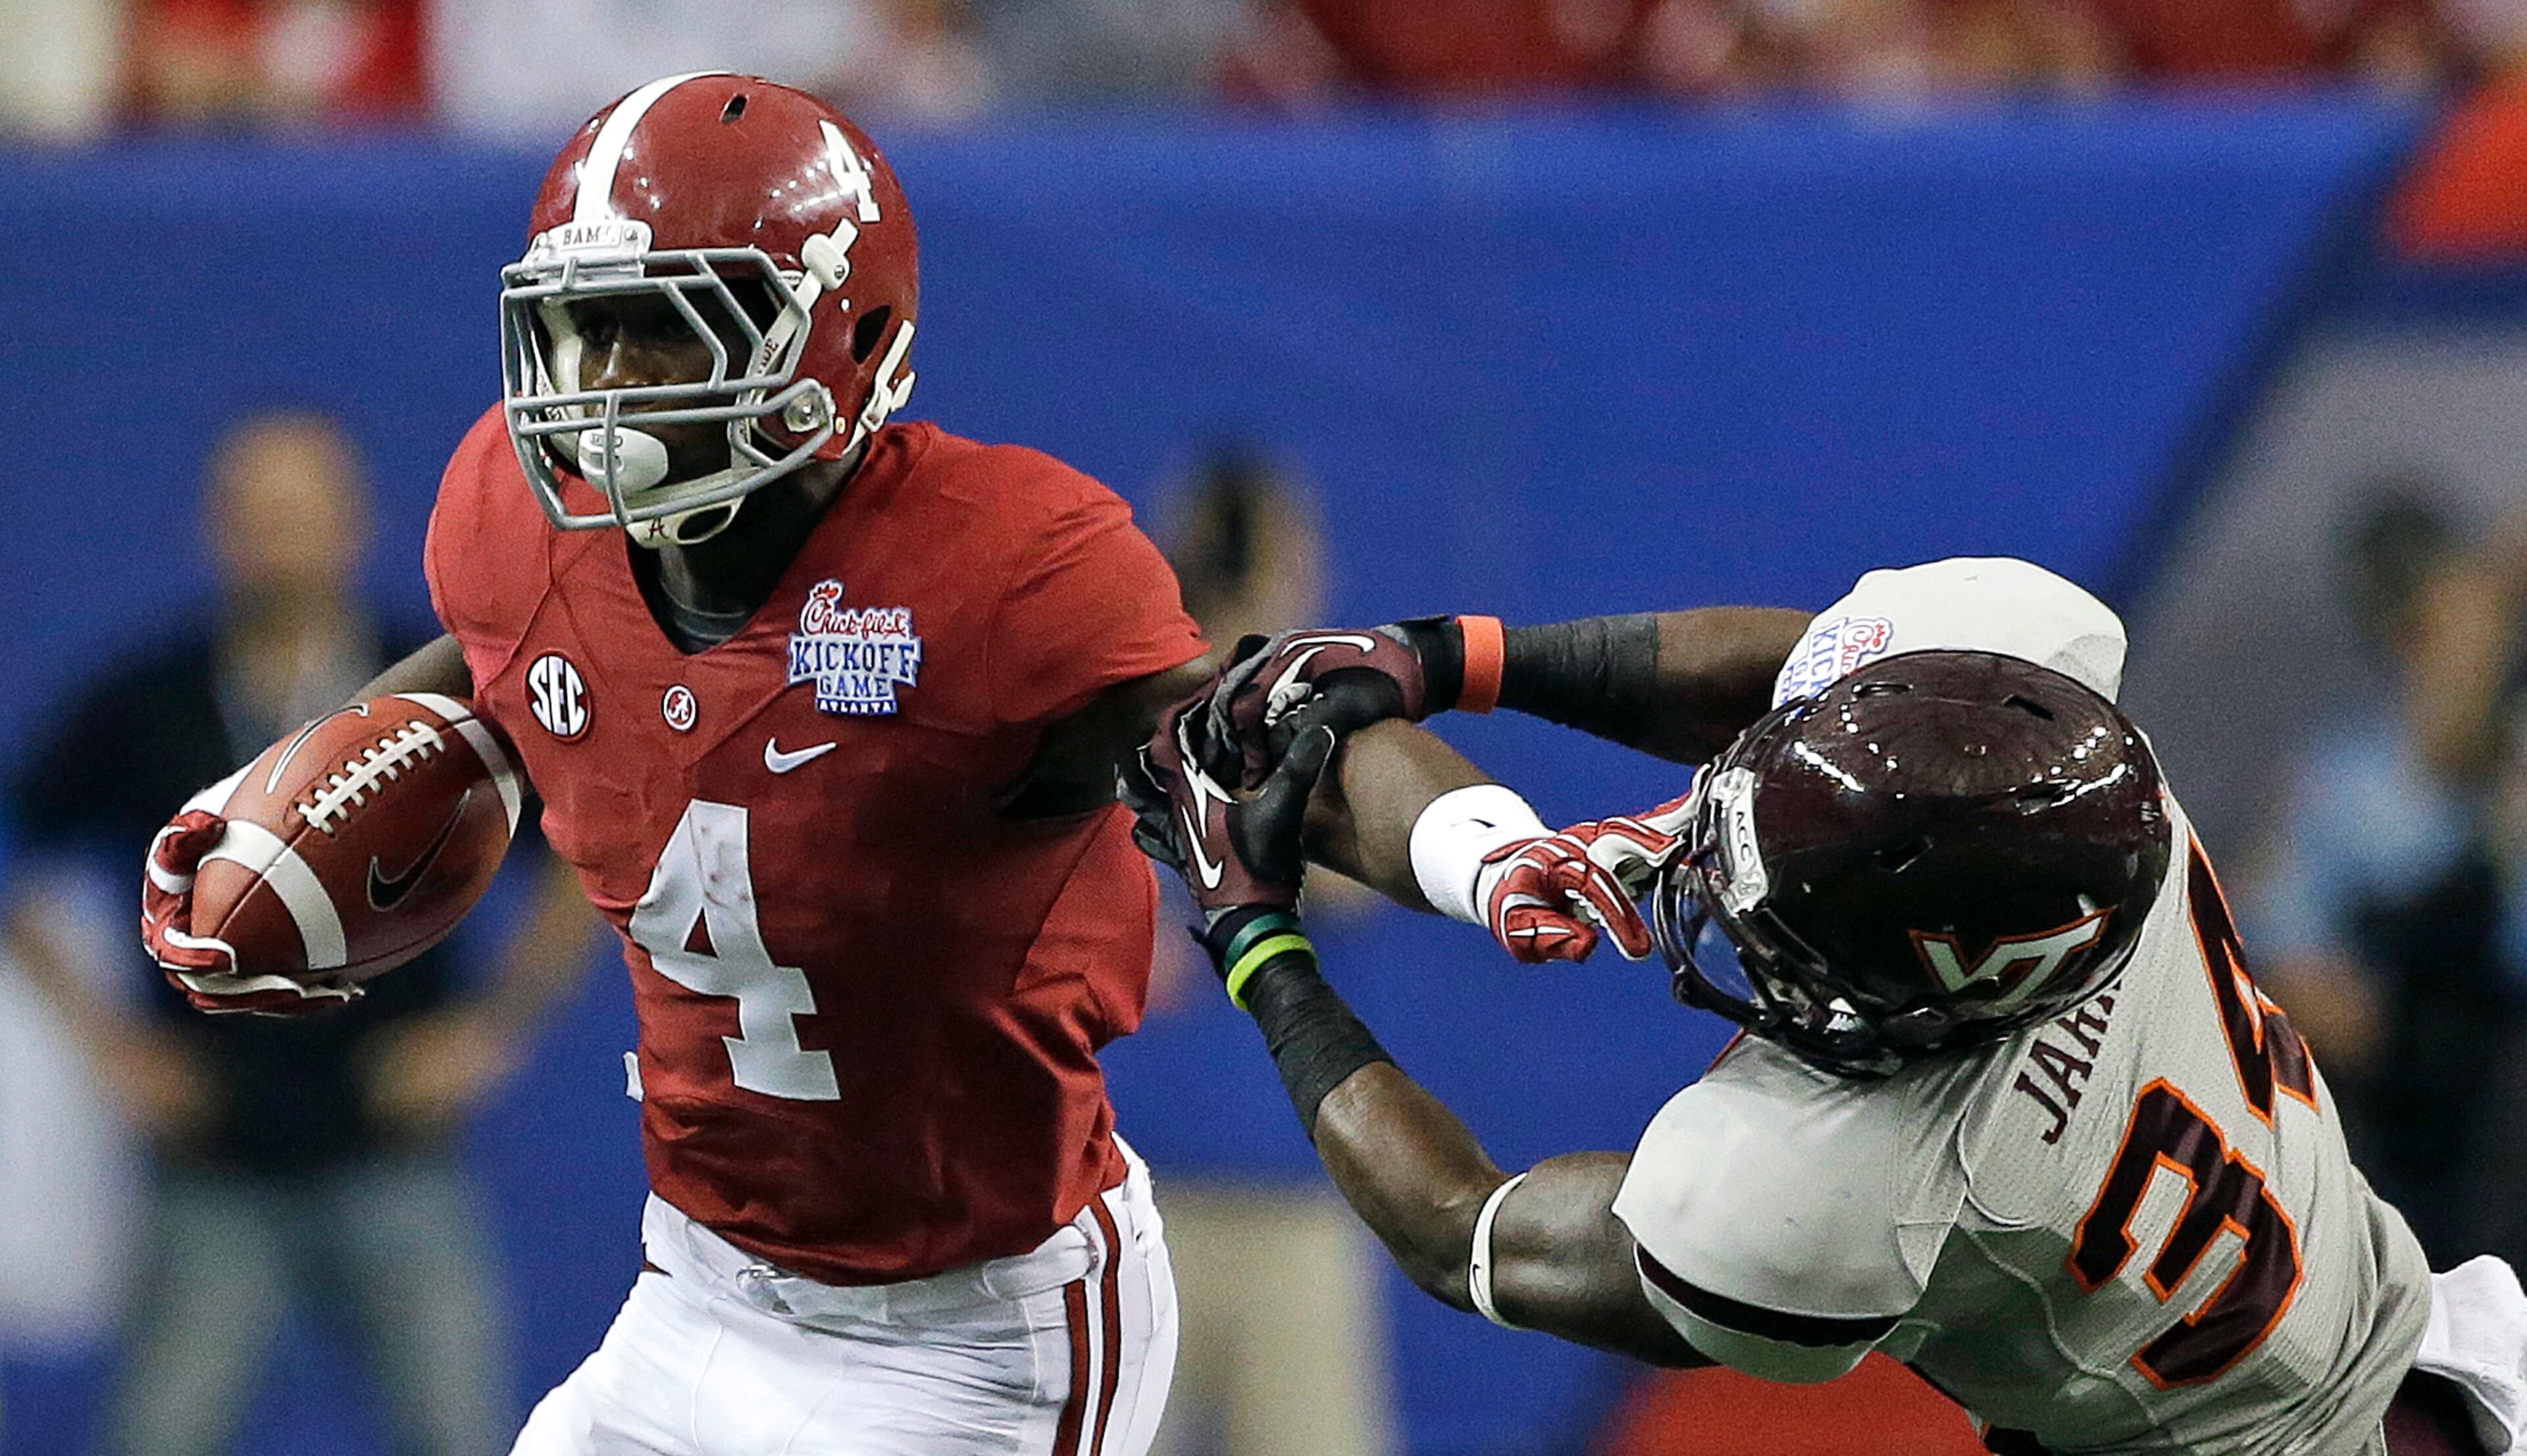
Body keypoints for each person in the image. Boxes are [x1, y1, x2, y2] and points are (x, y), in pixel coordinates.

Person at [137, 76, 1207, 1456]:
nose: (610, 384)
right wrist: (292, 803)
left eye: (663, 331)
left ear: (838, 334)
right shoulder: (519, 526)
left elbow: (1232, 732)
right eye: (588, 332)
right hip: (700, 1294)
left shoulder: (993, 567)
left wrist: (1458, 850)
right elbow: (500, 663)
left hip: (970, 1332)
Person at [1125, 557, 2527, 1455]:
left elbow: (1464, 1231)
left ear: (1921, 1008)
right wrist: (1455, 658)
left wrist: (1257, 943)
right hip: (2420, 1354)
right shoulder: (2075, 800)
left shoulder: (1843, 1189)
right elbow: (1827, 680)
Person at [3, 410, 595, 1456]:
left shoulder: (442, 695)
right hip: (215, 1162)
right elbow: (25, 857)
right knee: (160, 1433)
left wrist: (493, 1028)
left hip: (396, 1152)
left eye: (302, 513)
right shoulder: (149, 702)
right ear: (217, 529)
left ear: (354, 524)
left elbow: (581, 862)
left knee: (461, 1432)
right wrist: (111, 1047)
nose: (279, 539)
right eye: (256, 514)